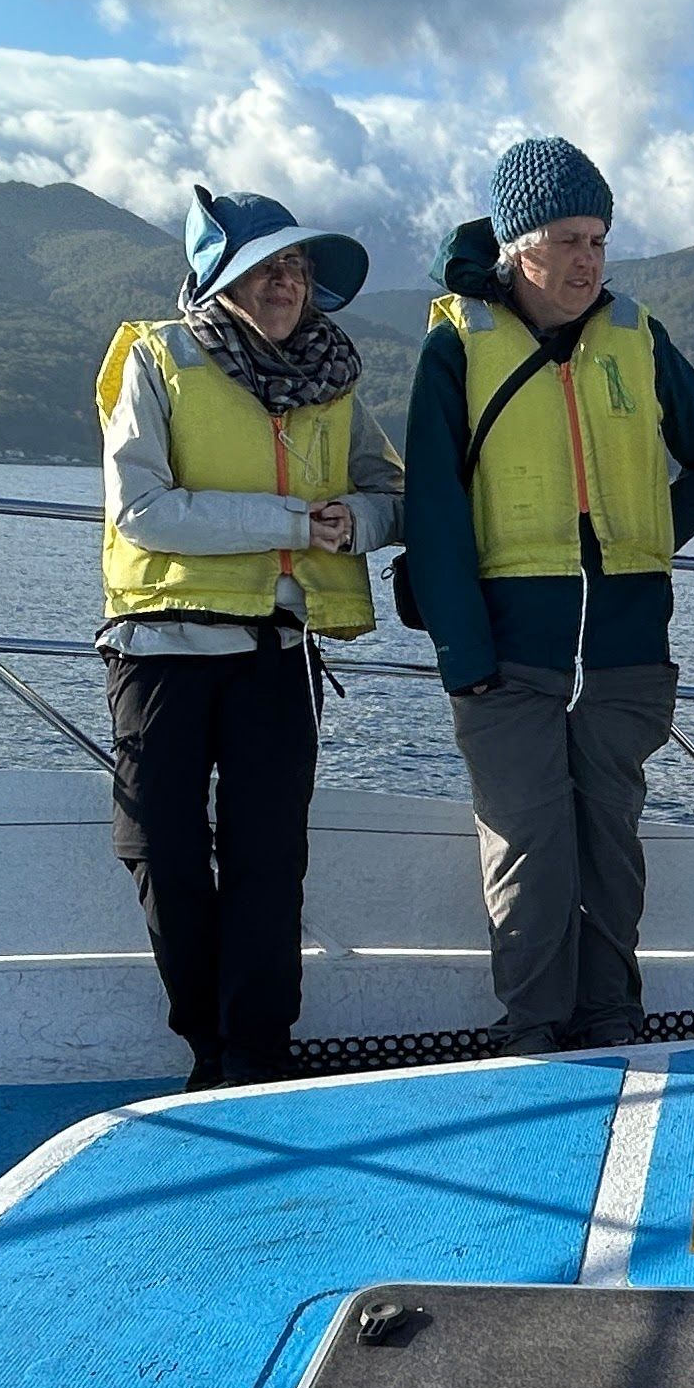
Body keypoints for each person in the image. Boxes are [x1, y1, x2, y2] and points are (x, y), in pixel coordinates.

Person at [402, 137, 694, 1053]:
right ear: (519, 246)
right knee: (528, 853)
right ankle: (534, 1031)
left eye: (598, 239)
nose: (587, 260)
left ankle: (610, 1020)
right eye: (567, 240)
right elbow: (433, 512)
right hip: (505, 657)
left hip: (627, 653)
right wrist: (463, 657)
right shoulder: (455, 350)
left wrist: (644, 542)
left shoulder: (637, 337)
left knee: (611, 847)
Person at [95, 184, 398, 1089]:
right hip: (160, 650)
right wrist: (299, 524)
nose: (285, 286)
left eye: (297, 269)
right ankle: (207, 1045)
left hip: (277, 653)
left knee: (271, 865)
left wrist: (361, 522)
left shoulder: (333, 379)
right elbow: (142, 510)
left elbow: (393, 492)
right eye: (265, 269)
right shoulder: (157, 359)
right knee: (161, 850)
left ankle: (258, 1058)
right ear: (217, 279)